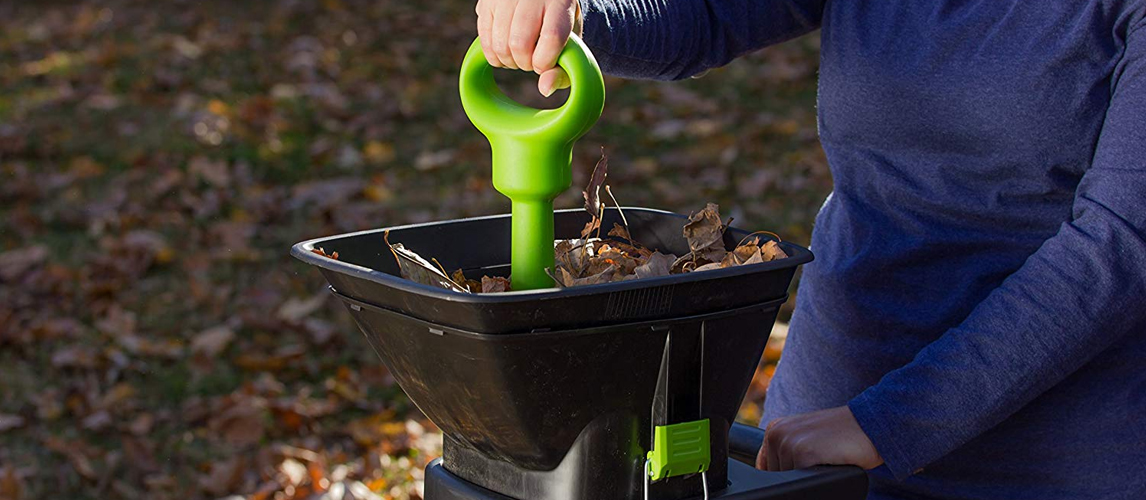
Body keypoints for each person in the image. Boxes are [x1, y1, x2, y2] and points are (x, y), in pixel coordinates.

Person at [474, 0, 1146, 499]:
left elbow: (1115, 251)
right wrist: (578, 16)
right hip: (822, 433)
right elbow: (706, 14)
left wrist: (889, 423)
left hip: (1057, 454)